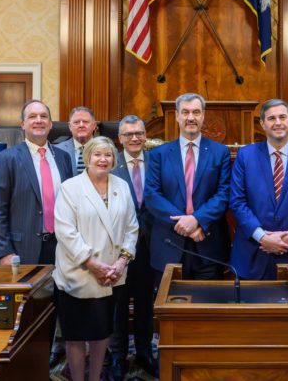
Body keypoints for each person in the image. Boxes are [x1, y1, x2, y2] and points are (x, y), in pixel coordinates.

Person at [53, 136, 139, 381]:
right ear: (87, 157)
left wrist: (121, 262)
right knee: (76, 336)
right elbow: (65, 231)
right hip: (80, 273)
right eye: (97, 154)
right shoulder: (70, 187)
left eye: (108, 155)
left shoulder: (122, 186)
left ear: (114, 159)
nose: (103, 159)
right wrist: (92, 264)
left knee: (102, 333)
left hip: (112, 274)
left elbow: (132, 227)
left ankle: (95, 377)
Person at [230, 99, 288, 281]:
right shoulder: (245, 155)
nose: (278, 122)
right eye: (271, 118)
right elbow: (237, 201)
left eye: (282, 117)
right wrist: (261, 237)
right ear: (262, 124)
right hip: (253, 254)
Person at [146, 93, 232, 281]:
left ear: (203, 116)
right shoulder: (158, 154)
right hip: (169, 244)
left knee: (208, 300)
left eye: (196, 112)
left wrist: (197, 219)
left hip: (208, 242)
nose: (191, 117)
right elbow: (152, 195)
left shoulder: (220, 152)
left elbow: (224, 193)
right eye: (185, 112)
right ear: (177, 116)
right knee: (168, 300)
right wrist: (186, 224)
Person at [0, 99, 73, 265]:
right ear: (23, 124)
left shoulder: (63, 157)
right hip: (22, 249)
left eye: (44, 116)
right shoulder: (6, 159)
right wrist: (4, 252)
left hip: (62, 246)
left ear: (50, 124)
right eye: (32, 116)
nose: (39, 120)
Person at [108, 115, 156, 379]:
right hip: (118, 248)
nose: (134, 138)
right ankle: (117, 355)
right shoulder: (109, 163)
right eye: (128, 134)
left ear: (145, 135)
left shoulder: (157, 161)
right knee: (118, 304)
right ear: (120, 138)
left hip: (151, 246)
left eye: (139, 133)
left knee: (146, 303)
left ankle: (144, 352)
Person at [56, 106, 98, 176]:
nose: (81, 125)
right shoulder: (57, 151)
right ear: (70, 126)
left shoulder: (108, 149)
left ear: (94, 125)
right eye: (76, 122)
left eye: (85, 122)